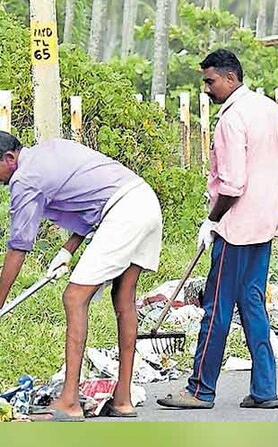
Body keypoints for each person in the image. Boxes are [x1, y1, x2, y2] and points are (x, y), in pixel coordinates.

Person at [157, 49, 278, 410]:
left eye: (210, 81)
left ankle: (200, 390)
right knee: (253, 305)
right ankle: (265, 390)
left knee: (216, 309)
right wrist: (263, 163)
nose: (206, 89)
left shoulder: (231, 120)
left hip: (235, 229)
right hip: (264, 223)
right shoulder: (267, 107)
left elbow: (233, 184)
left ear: (230, 78)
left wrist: (213, 219)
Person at [0, 132, 163, 421]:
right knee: (124, 298)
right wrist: (67, 250)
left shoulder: (24, 179)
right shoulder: (52, 149)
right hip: (145, 201)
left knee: (74, 298)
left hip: (123, 212)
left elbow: (18, 247)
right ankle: (123, 399)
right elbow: (93, 204)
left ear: (9, 159)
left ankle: (69, 401)